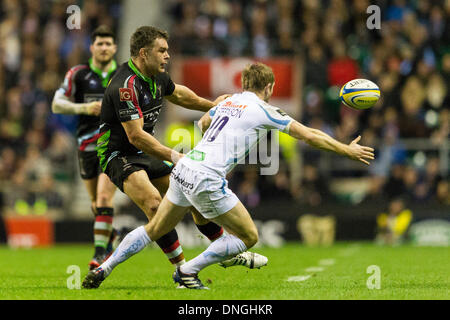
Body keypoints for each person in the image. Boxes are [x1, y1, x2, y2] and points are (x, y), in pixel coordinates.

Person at [83, 62, 374, 290]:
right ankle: (187, 271)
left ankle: (104, 268)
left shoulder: (227, 102)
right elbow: (309, 135)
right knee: (249, 236)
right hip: (207, 177)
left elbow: (205, 120)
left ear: (244, 84)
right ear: (269, 87)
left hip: (186, 168)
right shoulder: (265, 109)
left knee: (155, 227)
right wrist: (346, 150)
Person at [85, 25, 266, 280]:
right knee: (154, 204)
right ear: (144, 53)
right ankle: (182, 270)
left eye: (167, 50)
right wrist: (174, 155)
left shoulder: (156, 75)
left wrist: (212, 105)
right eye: (162, 51)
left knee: (193, 195)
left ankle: (228, 253)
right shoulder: (124, 87)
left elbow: (178, 94)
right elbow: (135, 135)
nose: (167, 56)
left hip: (144, 149)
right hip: (118, 153)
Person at [52, 26, 119, 270]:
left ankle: (100, 254)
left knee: (104, 196)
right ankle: (110, 235)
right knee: (95, 203)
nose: (103, 48)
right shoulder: (78, 74)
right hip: (86, 146)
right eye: (99, 44)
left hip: (112, 145)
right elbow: (56, 104)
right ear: (92, 48)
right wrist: (83, 108)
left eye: (107, 44)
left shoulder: (122, 75)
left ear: (115, 48)